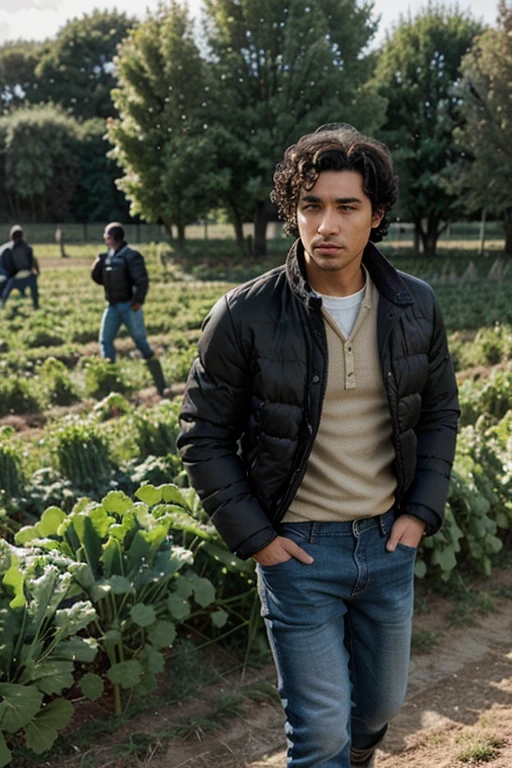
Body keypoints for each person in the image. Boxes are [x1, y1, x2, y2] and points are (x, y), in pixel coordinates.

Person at [177, 124, 459, 768]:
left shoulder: (416, 305)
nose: (325, 224)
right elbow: (203, 435)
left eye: (346, 207)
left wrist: (418, 514)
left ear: (376, 215)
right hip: (299, 552)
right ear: (293, 213)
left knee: (379, 710)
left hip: (388, 544)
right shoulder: (244, 315)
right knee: (319, 734)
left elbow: (441, 412)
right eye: (311, 206)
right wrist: (259, 541)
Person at [91, 222, 166, 395]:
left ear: (112, 238)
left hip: (129, 306)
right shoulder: (107, 256)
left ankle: (160, 384)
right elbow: (101, 280)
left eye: (106, 235)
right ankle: (111, 384)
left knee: (141, 342)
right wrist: (96, 266)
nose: (104, 238)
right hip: (112, 306)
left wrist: (138, 301)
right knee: (105, 341)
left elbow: (142, 280)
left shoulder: (132, 256)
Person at [0, 225, 40, 309]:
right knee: (33, 283)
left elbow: (6, 267)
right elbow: (33, 262)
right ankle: (35, 304)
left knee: (4, 282)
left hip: (13, 277)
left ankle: (2, 303)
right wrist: (37, 272)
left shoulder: (7, 250)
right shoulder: (29, 248)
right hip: (28, 276)